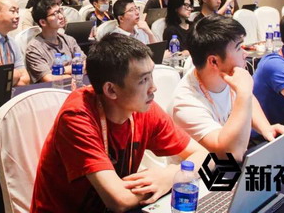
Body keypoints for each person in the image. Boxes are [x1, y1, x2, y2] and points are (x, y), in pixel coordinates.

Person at [31, 33, 208, 212]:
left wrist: (171, 175)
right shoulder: (77, 116)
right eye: (143, 80)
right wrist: (174, 180)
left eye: (151, 76)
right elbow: (120, 201)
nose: (153, 87)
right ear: (111, 90)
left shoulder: (143, 108)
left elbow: (205, 156)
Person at [170, 16, 284, 161]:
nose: (245, 54)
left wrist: (266, 128)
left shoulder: (224, 74)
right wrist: (244, 92)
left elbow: (249, 100)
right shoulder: (186, 103)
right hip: (201, 171)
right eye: (238, 48)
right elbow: (231, 154)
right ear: (214, 61)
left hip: (230, 162)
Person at [25, 0, 85, 83]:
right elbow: (48, 79)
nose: (61, 16)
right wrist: (75, 73)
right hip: (52, 89)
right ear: (43, 22)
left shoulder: (69, 40)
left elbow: (84, 64)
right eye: (54, 14)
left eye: (60, 11)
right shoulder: (34, 49)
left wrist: (62, 70)